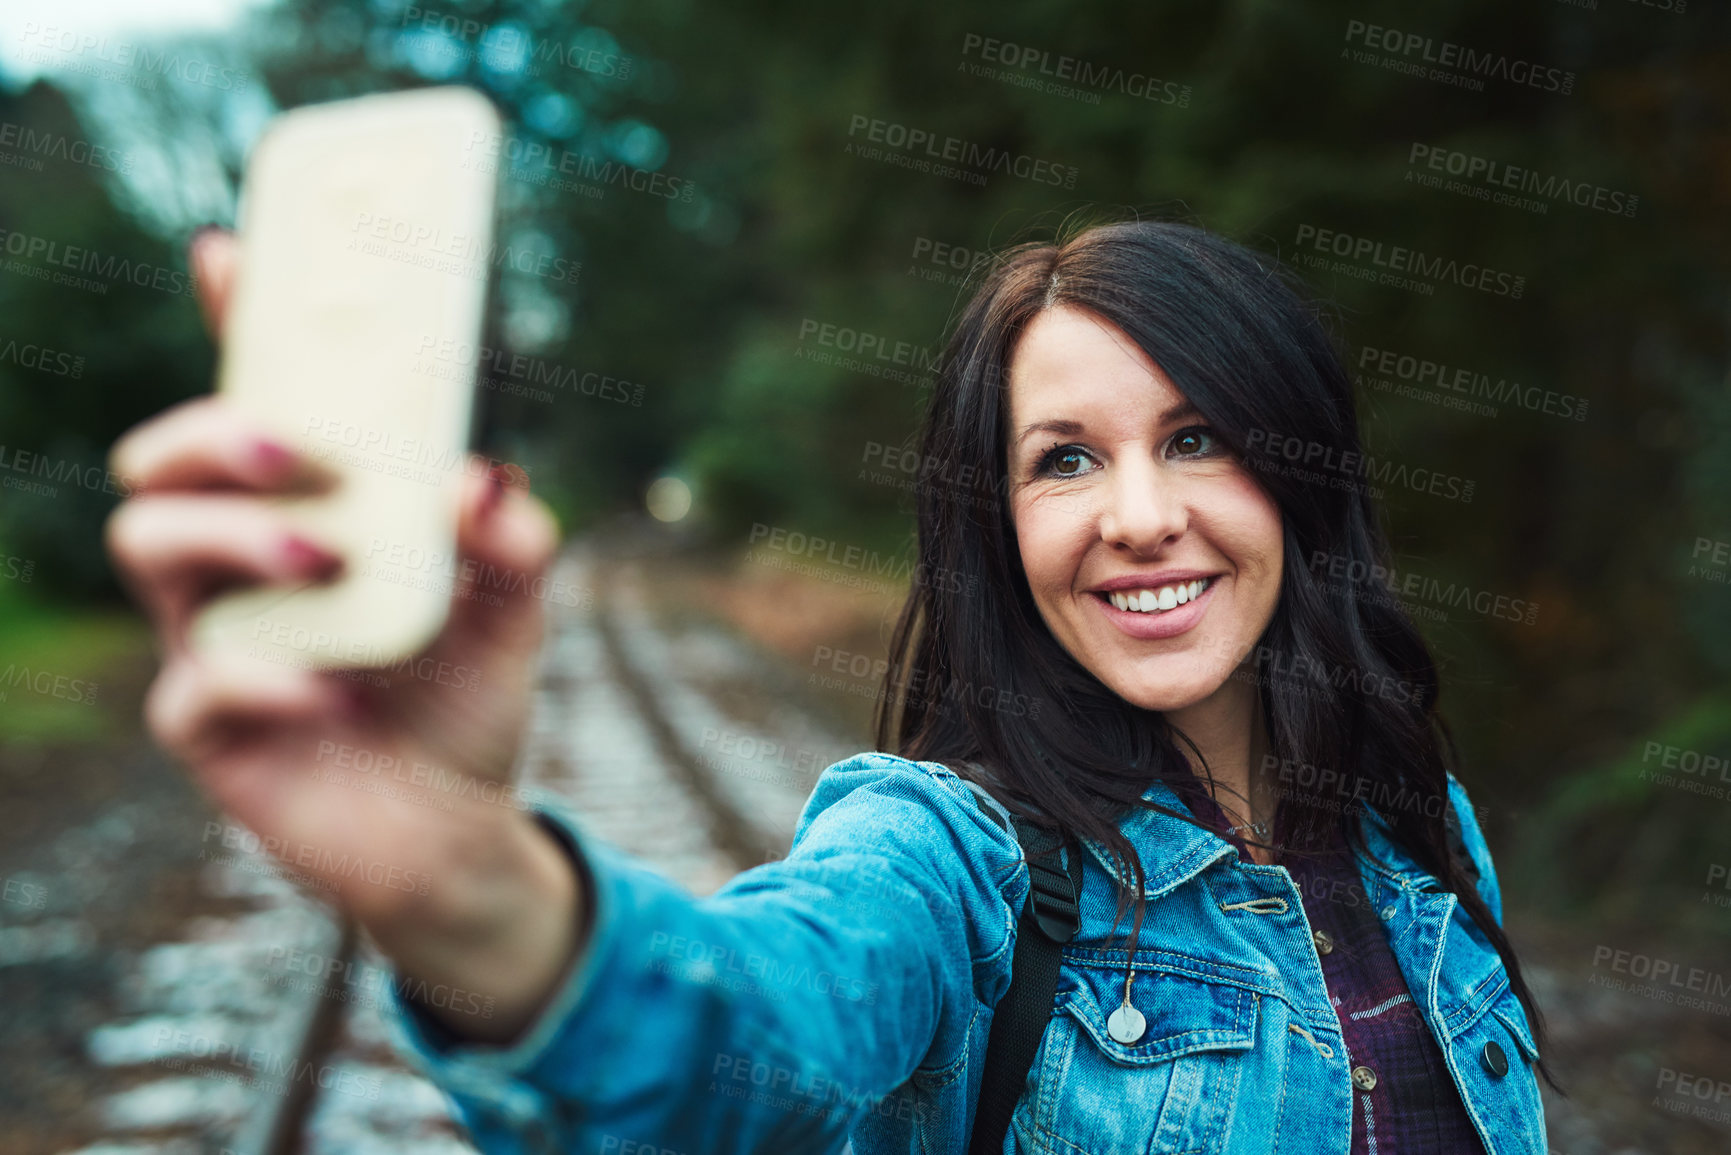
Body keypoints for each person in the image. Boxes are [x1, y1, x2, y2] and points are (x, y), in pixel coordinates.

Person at [106, 217, 1555, 1154]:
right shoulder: (949, 863)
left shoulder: (1419, 831)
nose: (1135, 515)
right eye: (1063, 458)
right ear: (997, 522)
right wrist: (471, 891)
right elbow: (748, 1041)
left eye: (1196, 440)